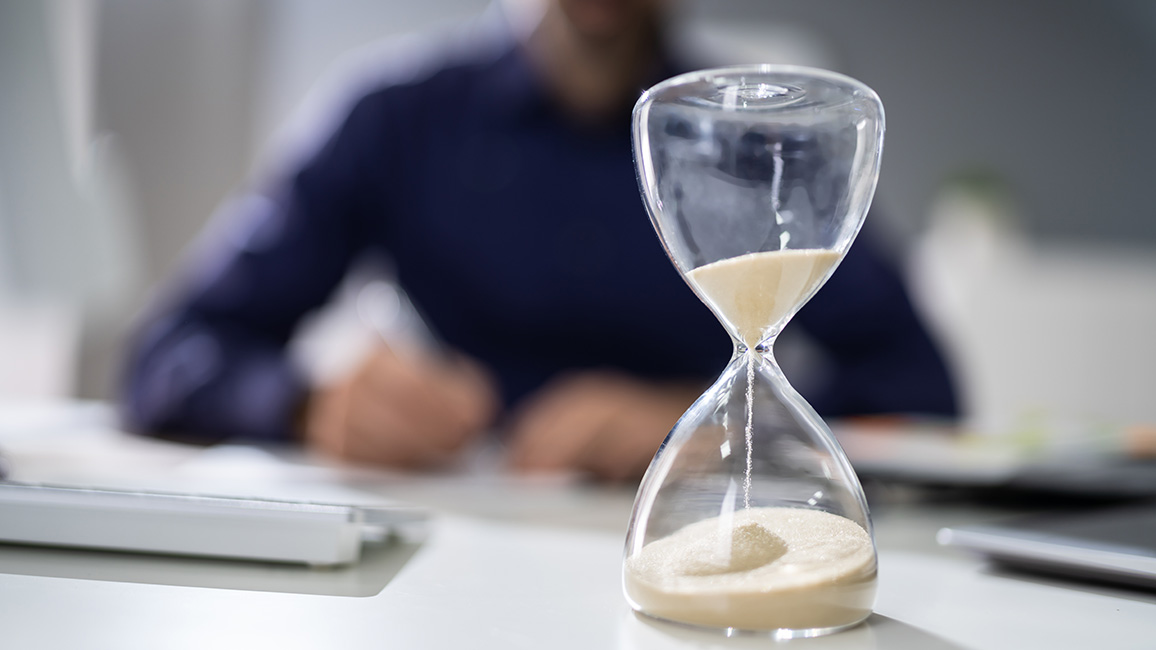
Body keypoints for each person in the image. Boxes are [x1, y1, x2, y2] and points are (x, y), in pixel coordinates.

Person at [121, 0, 957, 481]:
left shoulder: (763, 141)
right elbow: (169, 351)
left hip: (693, 523)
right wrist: (306, 403)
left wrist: (729, 424)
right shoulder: (395, 119)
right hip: (449, 525)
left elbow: (924, 391)